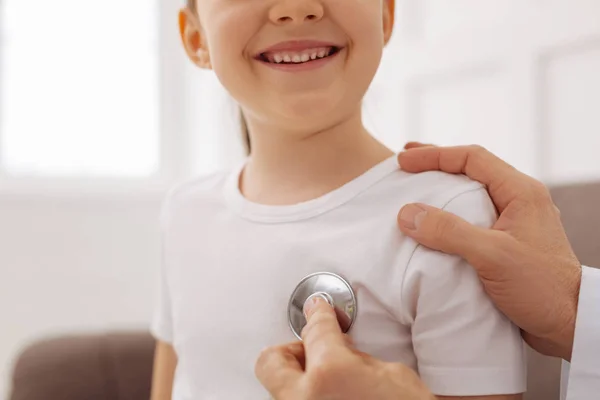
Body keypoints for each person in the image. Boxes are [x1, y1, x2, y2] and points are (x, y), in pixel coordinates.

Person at [150, 0, 527, 398]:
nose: (296, 8)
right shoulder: (185, 211)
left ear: (385, 15)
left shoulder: (448, 220)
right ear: (196, 39)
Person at [255, 144, 600, 400]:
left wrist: (570, 309)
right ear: (197, 46)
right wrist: (570, 313)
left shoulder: (455, 207)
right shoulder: (200, 210)